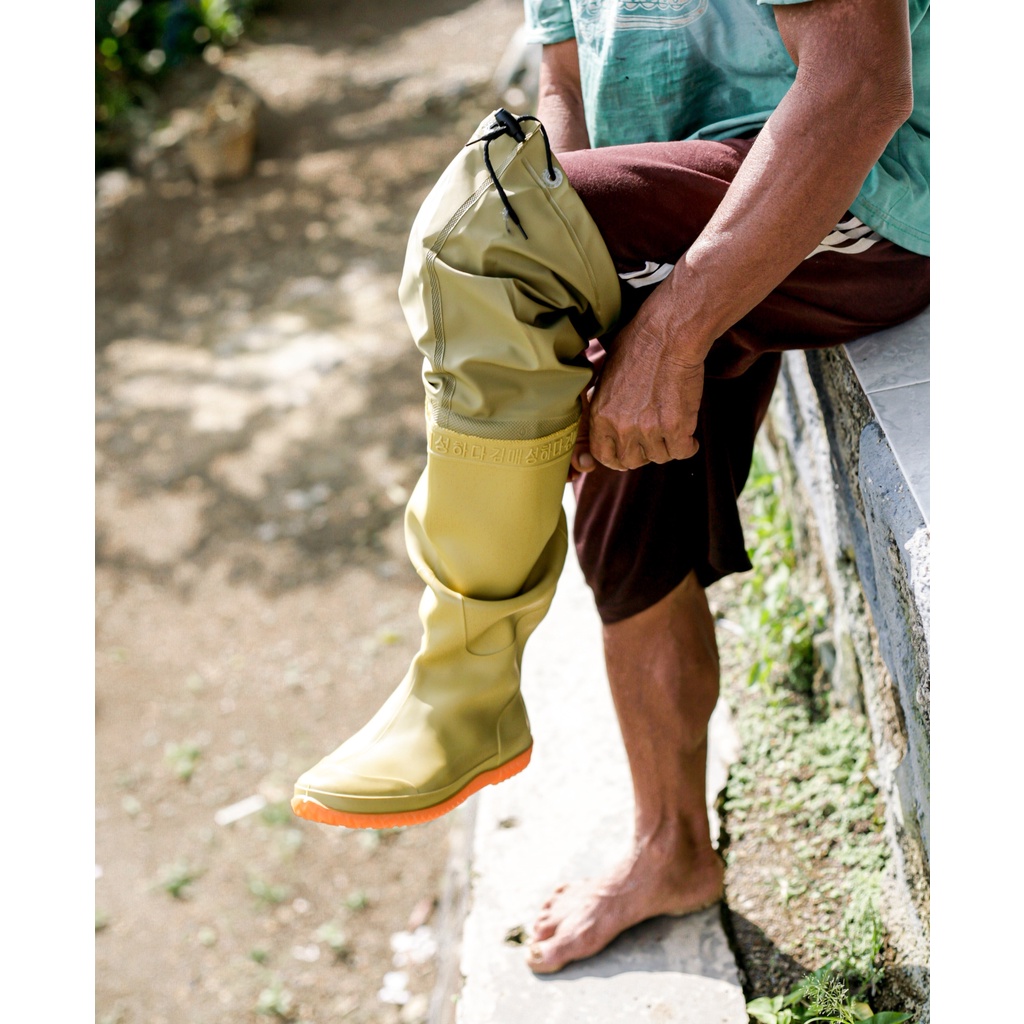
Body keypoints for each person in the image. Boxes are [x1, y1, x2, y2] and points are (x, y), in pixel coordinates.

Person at [291, 0, 930, 977]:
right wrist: (588, 337)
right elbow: (564, 85)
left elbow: (858, 86)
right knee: (622, 505)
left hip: (876, 191)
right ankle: (671, 847)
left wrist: (672, 328)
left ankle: (463, 684)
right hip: (692, 201)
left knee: (480, 231)